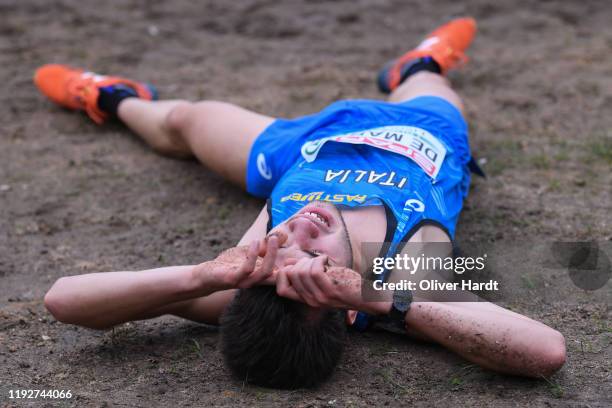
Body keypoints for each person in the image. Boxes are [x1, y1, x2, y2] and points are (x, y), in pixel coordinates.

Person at [37, 18, 566, 389]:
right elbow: (544, 351)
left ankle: (111, 96)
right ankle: (416, 63)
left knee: (189, 121)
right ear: (342, 304)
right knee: (428, 82)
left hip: (299, 147)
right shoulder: (403, 274)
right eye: (316, 261)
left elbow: (64, 299)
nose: (298, 231)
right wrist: (377, 299)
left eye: (280, 250)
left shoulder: (246, 279)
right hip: (420, 132)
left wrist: (205, 277)